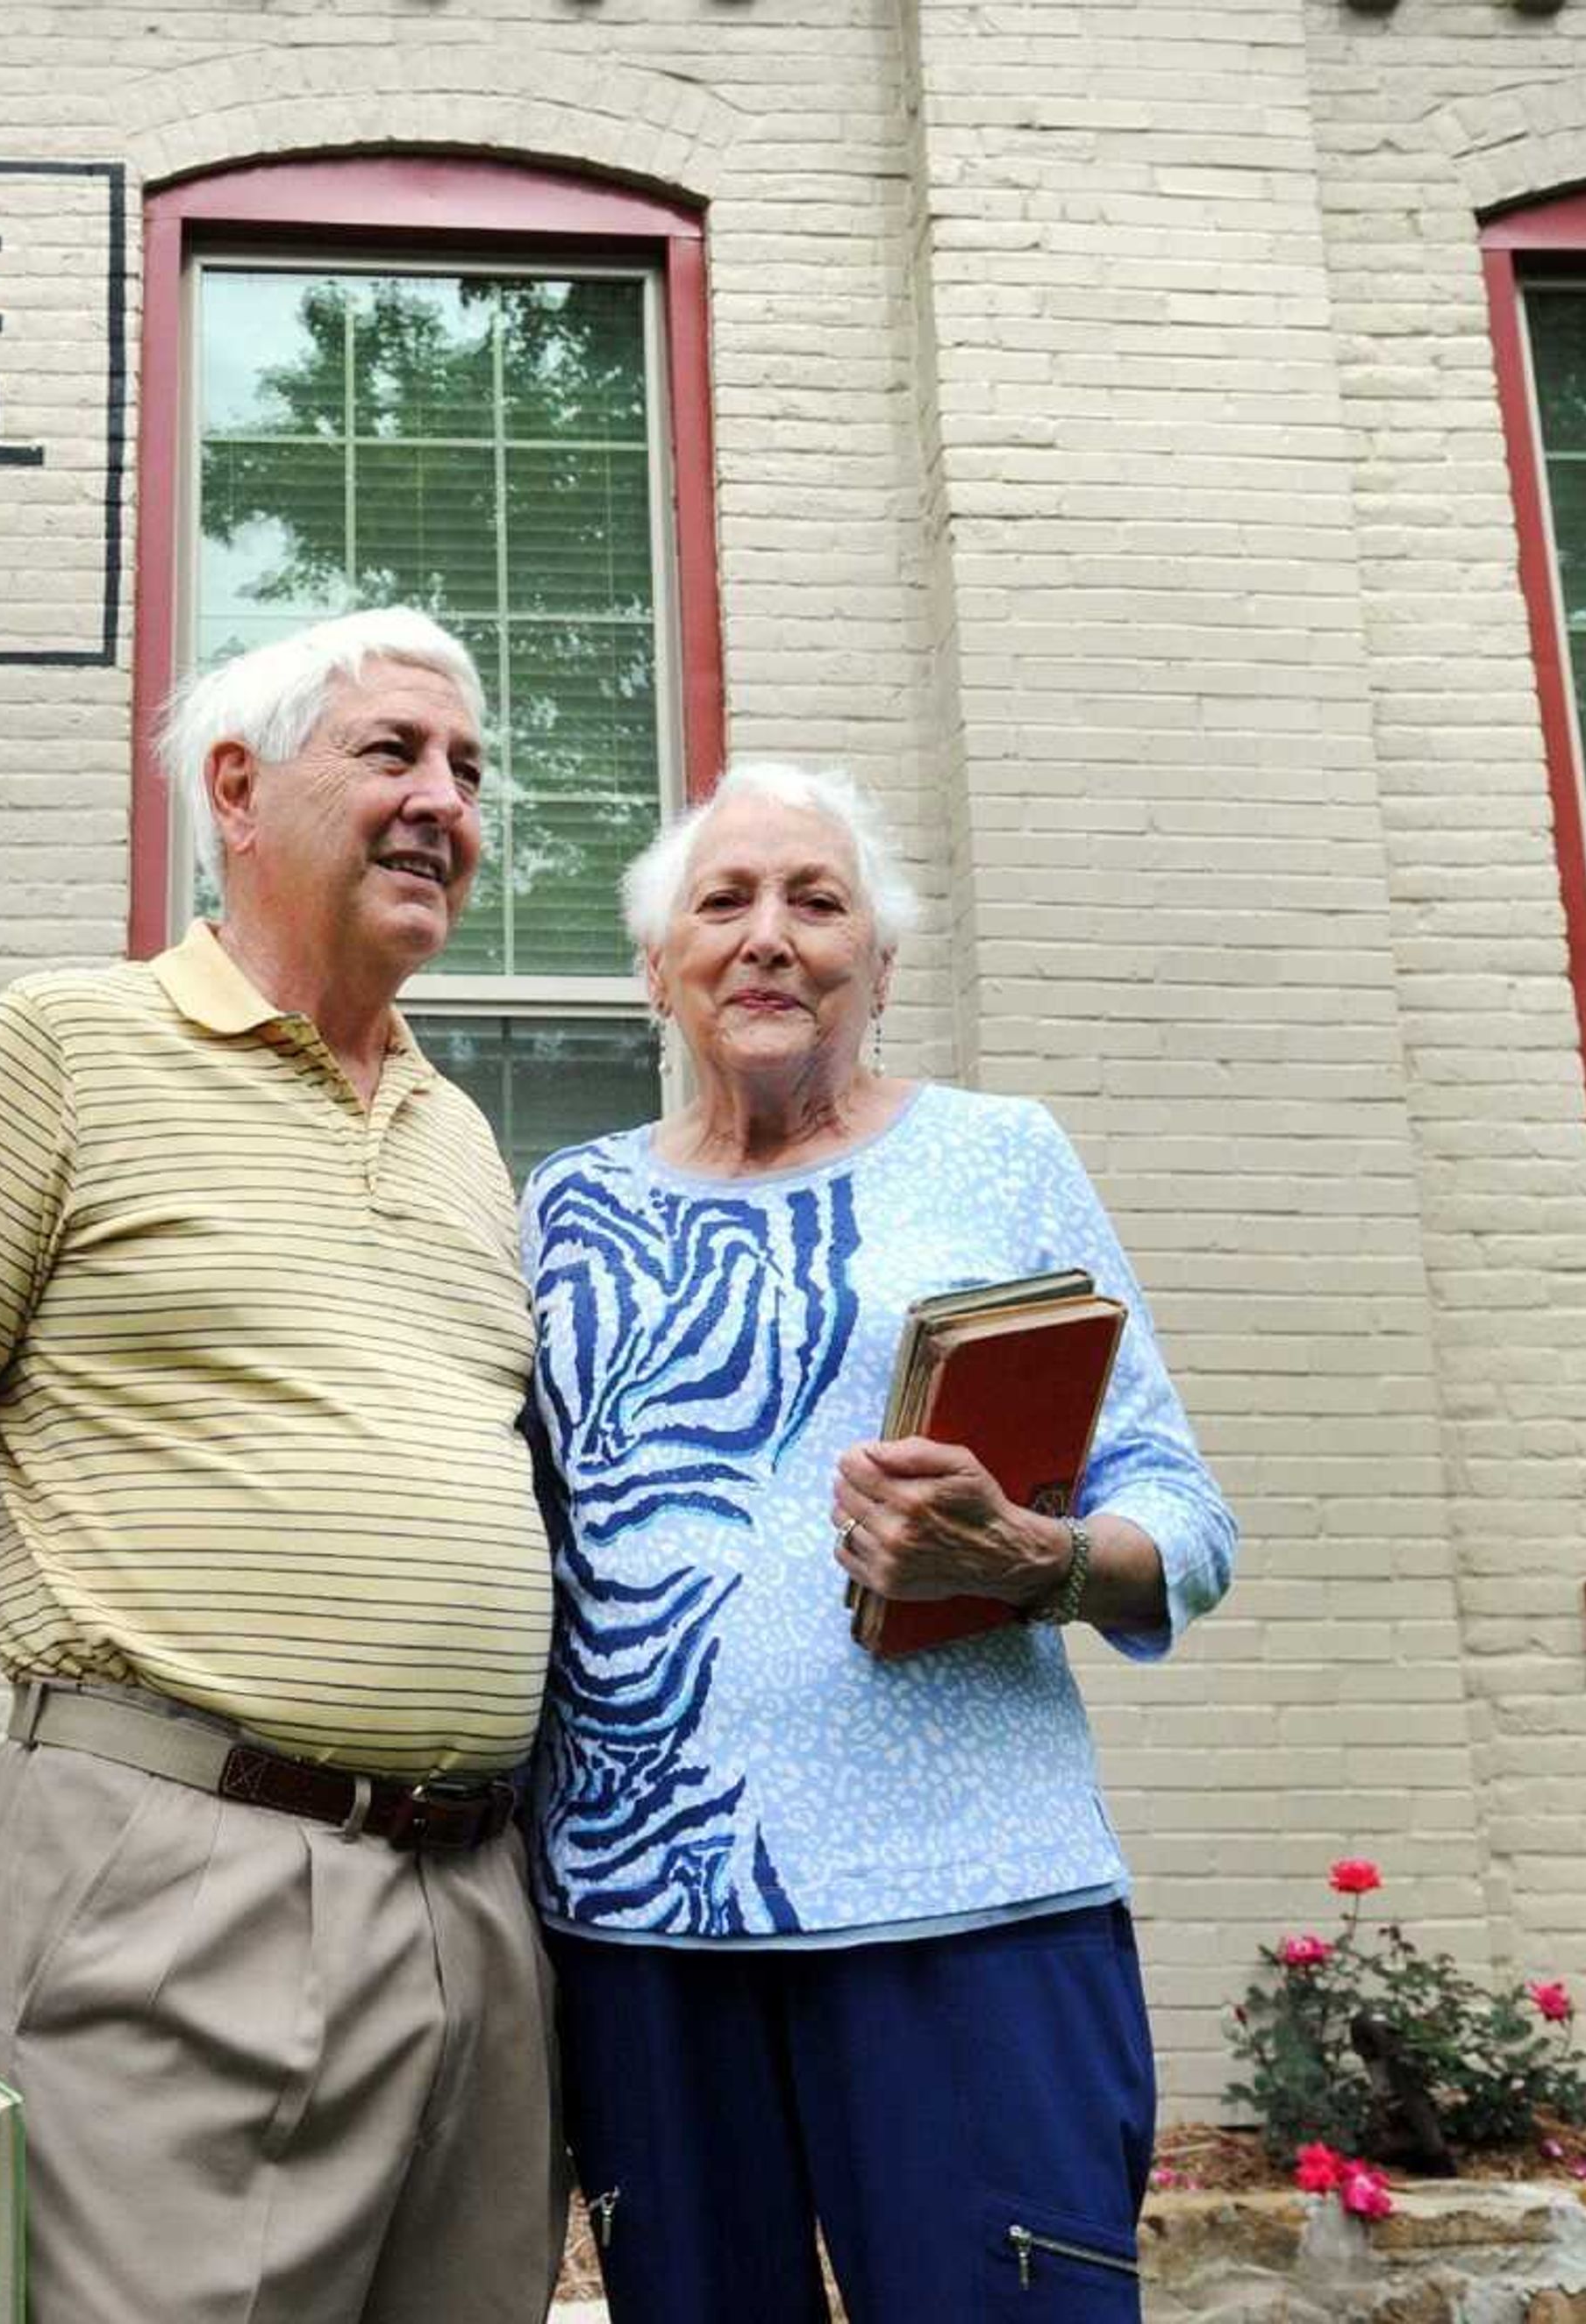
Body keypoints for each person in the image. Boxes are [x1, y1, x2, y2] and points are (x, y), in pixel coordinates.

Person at [0, 608, 566, 2323]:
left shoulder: (466, 1137)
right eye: (392, 751)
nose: (444, 801)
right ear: (239, 790)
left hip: (476, 1906)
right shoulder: (65, 1044)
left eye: (469, 770)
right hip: (177, 1873)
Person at [522, 759, 1239, 2324]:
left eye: (816, 900)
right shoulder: (561, 1212)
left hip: (973, 1908)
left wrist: (1029, 1557)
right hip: (646, 1925)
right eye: (724, 901)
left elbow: (1184, 1517)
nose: (767, 936)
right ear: (659, 967)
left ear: (883, 964)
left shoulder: (997, 1156)